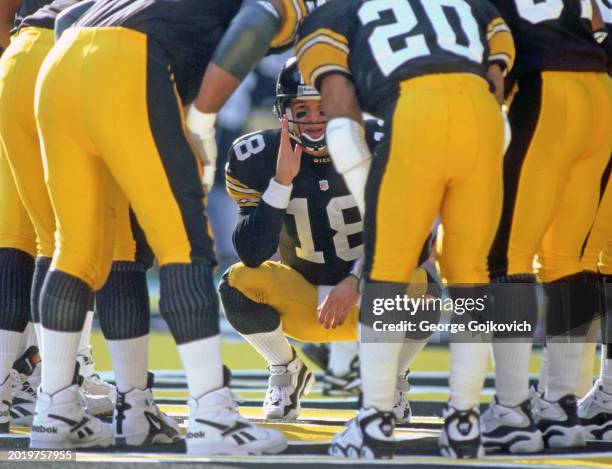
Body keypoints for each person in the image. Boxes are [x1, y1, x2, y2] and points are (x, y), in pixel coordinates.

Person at [31, 0, 326, 454]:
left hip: (59, 64)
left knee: (75, 249)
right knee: (183, 246)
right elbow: (257, 18)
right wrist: (202, 120)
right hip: (127, 61)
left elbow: (70, 19)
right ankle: (212, 415)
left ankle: (56, 410)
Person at [296, 0, 515, 458]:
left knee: (386, 271)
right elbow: (497, 79)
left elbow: (340, 121)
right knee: (471, 274)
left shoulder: (334, 14)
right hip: (484, 116)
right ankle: (464, 422)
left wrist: (372, 205)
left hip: (417, 113)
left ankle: (374, 421)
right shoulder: (468, 4)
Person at [220, 57, 437, 422]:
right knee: (238, 282)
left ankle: (392, 380)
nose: (314, 120)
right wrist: (281, 184)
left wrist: (357, 280)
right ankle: (286, 371)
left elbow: (415, 242)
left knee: (424, 288)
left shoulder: (381, 144)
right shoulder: (255, 156)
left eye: (322, 107)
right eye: (301, 110)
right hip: (302, 297)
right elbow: (251, 252)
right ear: (283, 112)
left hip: (373, 298)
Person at [486, 0, 612, 451]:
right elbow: (598, 22)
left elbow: (489, 50)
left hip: (546, 91)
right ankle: (561, 406)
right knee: (568, 261)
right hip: (600, 91)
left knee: (509, 256)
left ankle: (511, 408)